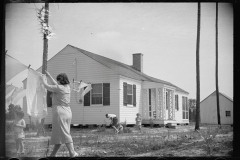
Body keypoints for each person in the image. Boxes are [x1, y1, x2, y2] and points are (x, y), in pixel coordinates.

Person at [40, 71, 79, 157]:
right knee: (59, 134)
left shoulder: (59, 88)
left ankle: (72, 153)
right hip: (67, 112)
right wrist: (49, 76)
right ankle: (52, 155)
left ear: (61, 81)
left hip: (60, 112)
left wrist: (42, 79)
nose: (57, 82)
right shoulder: (67, 87)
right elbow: (55, 85)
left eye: (58, 80)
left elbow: (47, 86)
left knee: (64, 134)